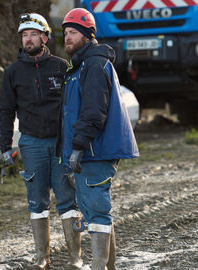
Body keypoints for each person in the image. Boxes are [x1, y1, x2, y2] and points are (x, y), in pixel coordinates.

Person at [0, 13, 83, 270]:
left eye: (34, 34)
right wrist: (5, 146)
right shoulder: (12, 73)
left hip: (61, 144)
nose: (29, 39)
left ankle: (75, 259)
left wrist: (77, 140)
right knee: (36, 200)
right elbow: (6, 111)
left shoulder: (61, 67)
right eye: (24, 35)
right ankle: (41, 259)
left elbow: (74, 105)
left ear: (45, 37)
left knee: (67, 199)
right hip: (32, 144)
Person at [59, 8, 139, 270]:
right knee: (95, 211)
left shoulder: (93, 65)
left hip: (95, 150)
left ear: (87, 35)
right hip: (92, 149)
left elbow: (93, 112)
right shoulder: (82, 65)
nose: (67, 38)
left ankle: (99, 267)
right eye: (66, 33)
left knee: (96, 211)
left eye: (73, 33)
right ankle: (108, 267)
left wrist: (78, 147)